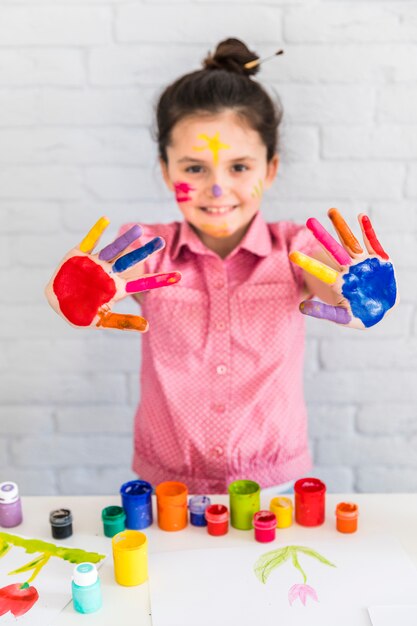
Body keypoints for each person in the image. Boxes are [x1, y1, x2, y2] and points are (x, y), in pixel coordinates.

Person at [46, 38, 398, 494]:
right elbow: (103, 286)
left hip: (272, 484)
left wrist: (357, 292)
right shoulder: (149, 251)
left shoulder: (296, 249)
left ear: (269, 170)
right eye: (194, 169)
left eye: (238, 168)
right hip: (167, 486)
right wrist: (72, 294)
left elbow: (332, 285)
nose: (216, 189)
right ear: (165, 169)